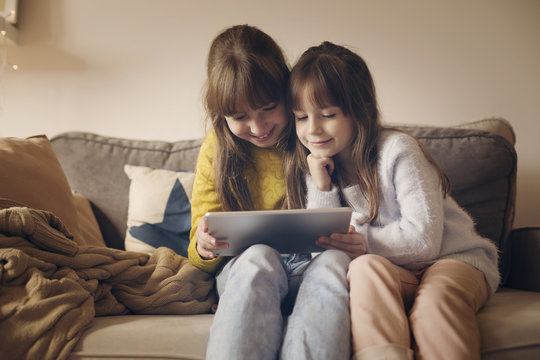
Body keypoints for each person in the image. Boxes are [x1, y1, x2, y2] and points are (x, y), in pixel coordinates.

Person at [286, 41, 500, 360]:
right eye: (301, 117)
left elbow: (423, 241)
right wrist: (322, 187)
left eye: (328, 115)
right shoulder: (319, 165)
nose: (312, 129)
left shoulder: (397, 150)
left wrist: (362, 242)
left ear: (362, 112)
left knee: (435, 303)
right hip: (395, 271)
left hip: (451, 259)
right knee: (364, 269)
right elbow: (326, 248)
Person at [187, 26, 351, 360]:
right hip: (247, 270)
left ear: (285, 93)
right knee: (259, 257)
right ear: (221, 114)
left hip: (312, 264)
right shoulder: (217, 147)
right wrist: (204, 247)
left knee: (336, 262)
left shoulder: (312, 129)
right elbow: (197, 242)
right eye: (240, 116)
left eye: (268, 107)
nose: (259, 128)